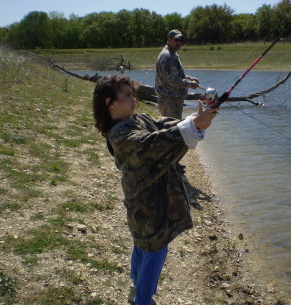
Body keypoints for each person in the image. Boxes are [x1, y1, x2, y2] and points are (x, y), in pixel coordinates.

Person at [92, 74, 218, 305]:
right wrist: (192, 126)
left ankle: (136, 288)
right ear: (110, 103)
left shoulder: (139, 119)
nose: (134, 99)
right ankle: (143, 299)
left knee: (142, 246)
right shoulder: (120, 134)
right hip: (147, 208)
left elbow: (163, 125)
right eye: (127, 95)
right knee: (154, 251)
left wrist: (195, 120)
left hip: (150, 205)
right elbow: (150, 144)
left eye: (133, 94)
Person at [155, 29, 200, 120]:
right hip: (170, 101)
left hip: (169, 100)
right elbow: (173, 80)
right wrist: (191, 84)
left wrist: (188, 78)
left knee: (169, 128)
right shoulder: (168, 56)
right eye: (176, 40)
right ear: (169, 40)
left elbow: (171, 75)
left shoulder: (170, 54)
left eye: (181, 40)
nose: (179, 42)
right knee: (171, 130)